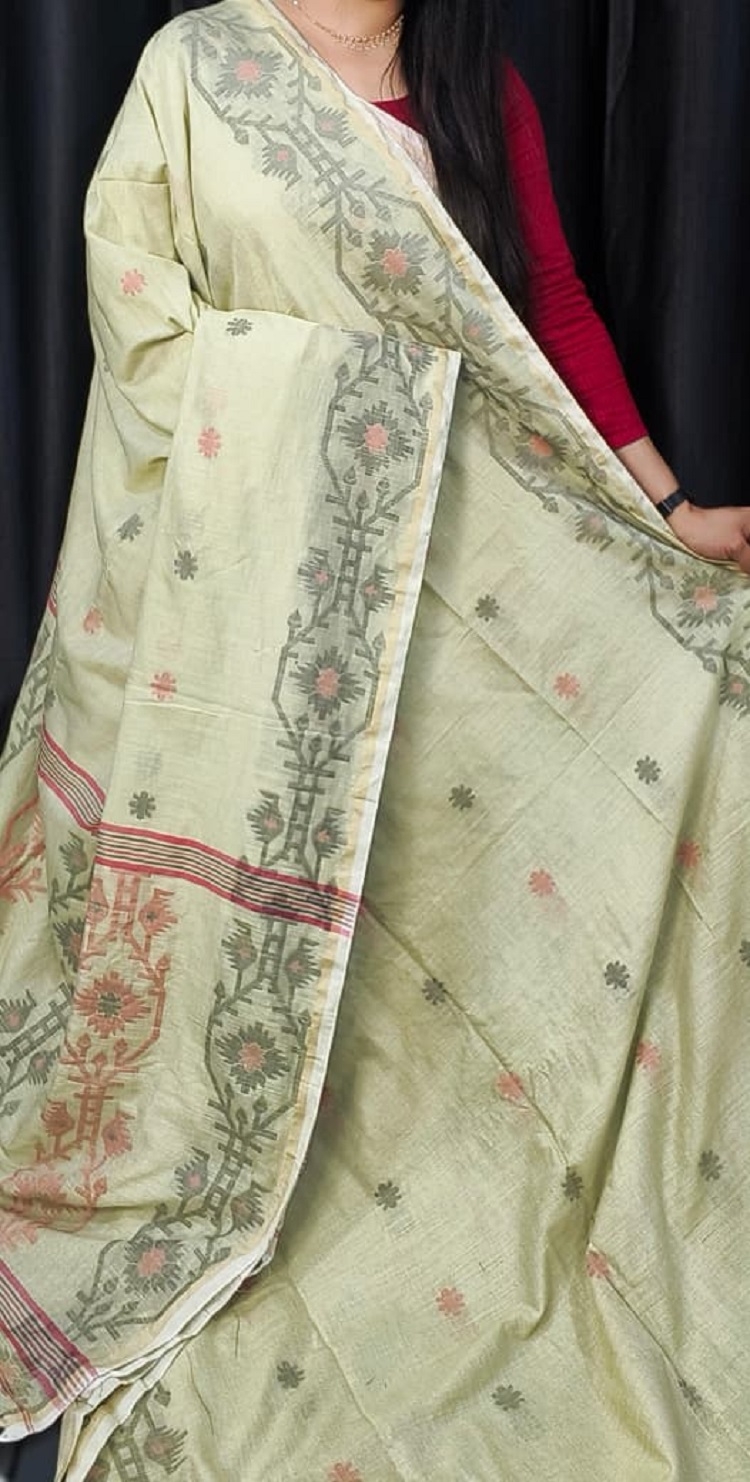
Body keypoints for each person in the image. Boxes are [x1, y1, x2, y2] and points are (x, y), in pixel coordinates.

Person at [1, 3, 749, 1479]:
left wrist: (666, 511)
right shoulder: (200, 67)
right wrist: (349, 410)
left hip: (471, 588)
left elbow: (548, 307)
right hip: (262, 615)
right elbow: (141, 324)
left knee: (713, 686)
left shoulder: (479, 88)